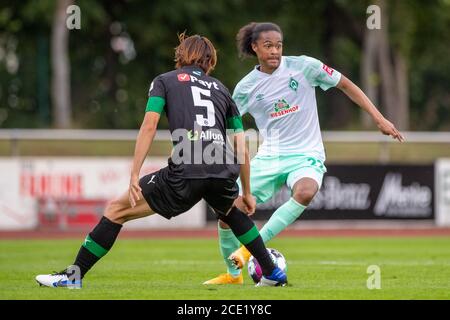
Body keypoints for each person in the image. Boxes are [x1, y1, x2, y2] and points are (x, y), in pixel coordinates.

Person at [35, 33, 287, 288]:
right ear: (210, 61)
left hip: (187, 168)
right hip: (223, 169)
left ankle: (73, 277)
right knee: (231, 211)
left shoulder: (165, 81)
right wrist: (248, 192)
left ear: (181, 56)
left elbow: (150, 124)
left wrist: (134, 174)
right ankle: (272, 272)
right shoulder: (222, 89)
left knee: (116, 210)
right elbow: (241, 145)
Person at [204, 22, 404, 285]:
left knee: (306, 191)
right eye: (268, 46)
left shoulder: (304, 66)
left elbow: (345, 84)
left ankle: (249, 251)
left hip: (306, 153)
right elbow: (226, 123)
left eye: (278, 45)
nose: (275, 51)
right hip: (271, 155)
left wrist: (379, 118)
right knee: (227, 210)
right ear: (255, 47)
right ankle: (233, 275)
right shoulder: (245, 88)